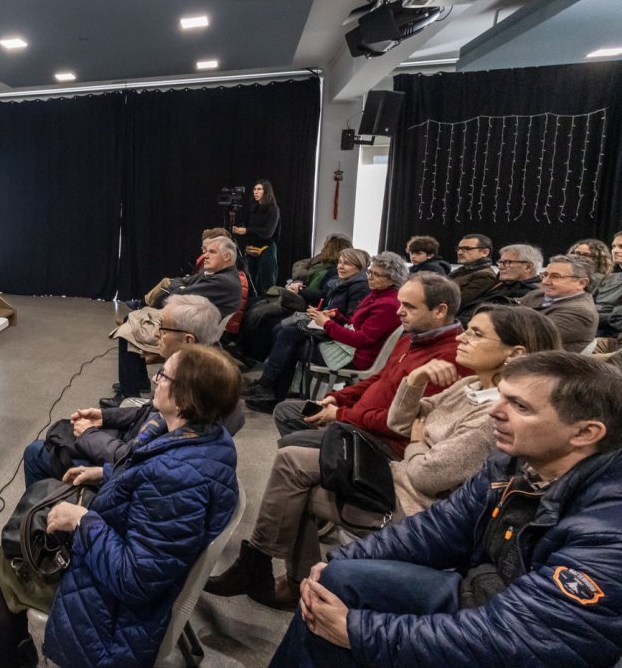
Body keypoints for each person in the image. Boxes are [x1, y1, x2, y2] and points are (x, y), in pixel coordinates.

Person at [269, 352, 622, 668]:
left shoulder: (609, 526)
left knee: (342, 625)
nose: (494, 412)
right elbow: (440, 527)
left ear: (585, 433)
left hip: (517, 633)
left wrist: (358, 632)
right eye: (501, 397)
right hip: (481, 592)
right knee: (332, 584)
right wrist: (339, 560)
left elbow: (524, 639)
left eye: (520, 407)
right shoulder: (515, 462)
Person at [206, 305, 560, 610]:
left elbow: (426, 475)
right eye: (467, 330)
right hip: (397, 475)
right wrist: (416, 381)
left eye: (477, 334)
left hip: (415, 506)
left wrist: (418, 440)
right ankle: (261, 564)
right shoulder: (471, 387)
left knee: (296, 489)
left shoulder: (493, 414)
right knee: (291, 462)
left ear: (514, 354)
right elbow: (400, 419)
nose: (463, 338)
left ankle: (285, 576)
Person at [0, 345, 240, 668]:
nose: (155, 379)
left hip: (113, 616)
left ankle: (13, 657)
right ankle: (13, 646)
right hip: (130, 569)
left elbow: (134, 579)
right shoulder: (208, 439)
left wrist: (82, 521)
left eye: (163, 375)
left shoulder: (176, 482)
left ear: (184, 399)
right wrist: (104, 472)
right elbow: (151, 479)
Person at [23, 295, 240, 486]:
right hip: (128, 452)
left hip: (122, 468)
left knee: (35, 453)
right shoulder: (207, 377)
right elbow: (148, 411)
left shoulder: (190, 395)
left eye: (162, 327)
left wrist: (89, 435)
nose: (156, 333)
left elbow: (133, 459)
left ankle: (43, 524)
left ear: (188, 340)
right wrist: (104, 417)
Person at [271, 272, 469, 453]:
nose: (399, 311)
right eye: (401, 303)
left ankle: (321, 467)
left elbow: (403, 422)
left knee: (290, 448)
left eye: (409, 306)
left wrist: (341, 414)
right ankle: (323, 473)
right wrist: (339, 398)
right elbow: (378, 378)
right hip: (359, 418)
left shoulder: (450, 358)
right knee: (285, 411)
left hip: (382, 440)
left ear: (440, 311)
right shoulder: (413, 338)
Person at [105, 235, 244, 403]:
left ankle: (128, 396)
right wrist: (181, 287)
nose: (205, 255)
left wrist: (180, 288)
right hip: (185, 324)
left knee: (127, 331)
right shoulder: (215, 274)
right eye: (205, 251)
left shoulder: (223, 282)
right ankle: (139, 382)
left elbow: (175, 292)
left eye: (212, 252)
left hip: (187, 333)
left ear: (227, 257)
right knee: (131, 319)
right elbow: (178, 282)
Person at [243, 249, 385, 413]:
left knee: (287, 332)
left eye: (347, 263)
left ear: (360, 267)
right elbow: (335, 307)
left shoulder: (361, 289)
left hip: (340, 343)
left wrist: (327, 321)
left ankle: (268, 385)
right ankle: (271, 392)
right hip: (332, 331)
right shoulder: (341, 282)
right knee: (283, 330)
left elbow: (354, 326)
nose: (341, 266)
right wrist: (327, 313)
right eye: (340, 262)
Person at [517, 254, 598, 354]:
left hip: (543, 364)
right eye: (545, 275)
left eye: (555, 277)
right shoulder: (537, 294)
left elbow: (524, 335)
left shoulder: (580, 312)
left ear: (581, 283)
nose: (545, 282)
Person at [456, 243, 542, 325]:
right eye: (500, 262)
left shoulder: (529, 293)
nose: (500, 266)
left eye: (507, 262)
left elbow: (493, 321)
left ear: (528, 267)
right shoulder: (500, 283)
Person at [233, 179, 281, 294]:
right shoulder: (253, 208)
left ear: (266, 191)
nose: (256, 192)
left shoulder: (273, 209)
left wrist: (247, 231)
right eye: (254, 189)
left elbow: (267, 232)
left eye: (259, 189)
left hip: (267, 249)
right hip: (251, 250)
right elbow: (247, 226)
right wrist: (239, 229)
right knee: (251, 282)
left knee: (266, 283)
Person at [449, 232, 497, 311]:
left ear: (484, 252)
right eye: (458, 249)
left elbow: (457, 302)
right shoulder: (463, 270)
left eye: (466, 249)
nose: (459, 252)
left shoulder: (485, 276)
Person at [594, 230, 622, 340]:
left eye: (621, 246)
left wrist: (592, 315)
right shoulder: (607, 279)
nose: (615, 251)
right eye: (613, 246)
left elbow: (617, 319)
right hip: (594, 332)